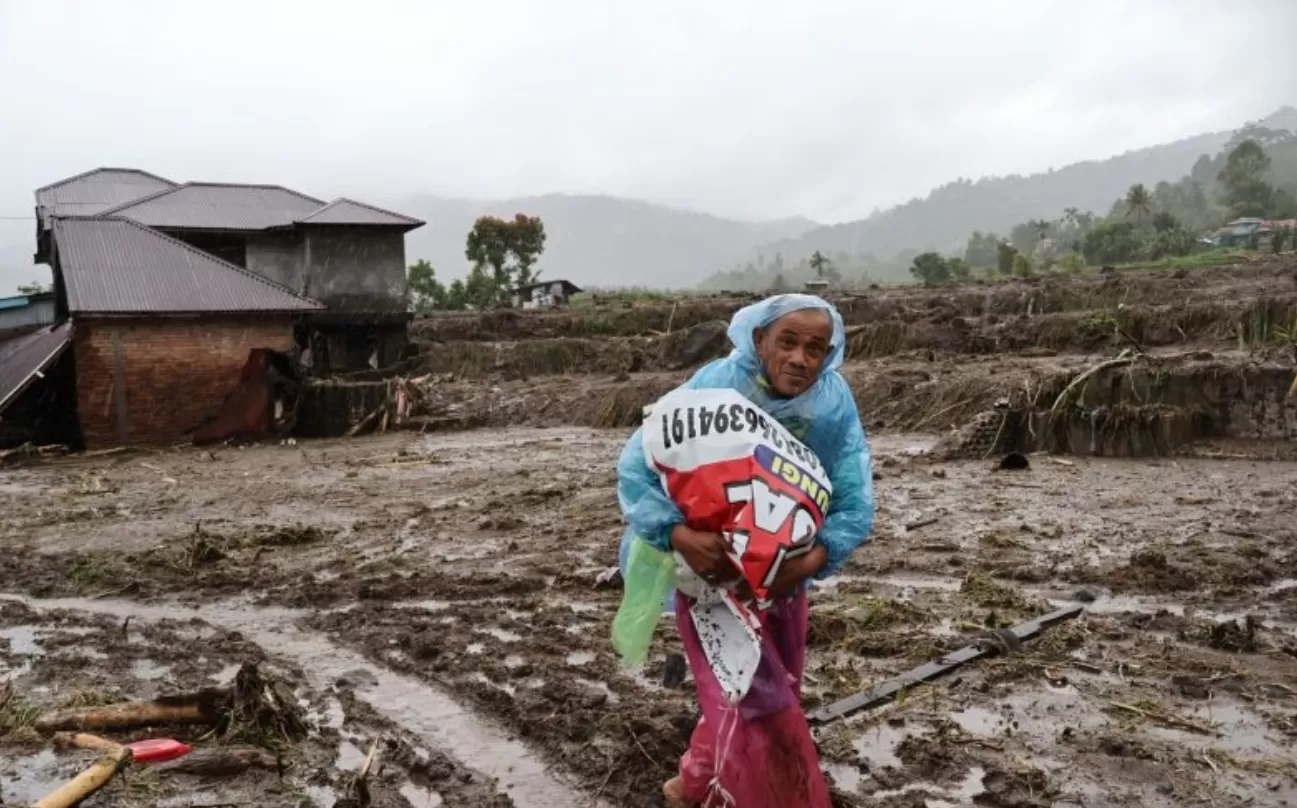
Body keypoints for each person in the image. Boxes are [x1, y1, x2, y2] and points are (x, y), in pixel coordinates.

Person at [615, 293, 875, 807]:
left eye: (816, 349)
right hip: (714, 584)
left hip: (784, 577)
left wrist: (814, 559)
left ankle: (691, 783)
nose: (801, 359)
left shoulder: (831, 403)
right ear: (759, 340)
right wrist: (680, 535)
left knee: (771, 689)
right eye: (788, 343)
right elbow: (636, 466)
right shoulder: (715, 388)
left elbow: (855, 497)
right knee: (756, 701)